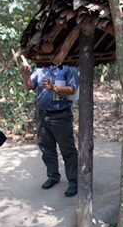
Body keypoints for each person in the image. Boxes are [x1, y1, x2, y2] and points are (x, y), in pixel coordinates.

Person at [20, 59, 79, 197]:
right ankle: (53, 176)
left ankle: (73, 181)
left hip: (61, 116)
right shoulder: (41, 68)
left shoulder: (68, 67)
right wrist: (26, 74)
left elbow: (72, 89)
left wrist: (54, 88)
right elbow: (29, 86)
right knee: (46, 147)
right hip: (42, 114)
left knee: (68, 149)